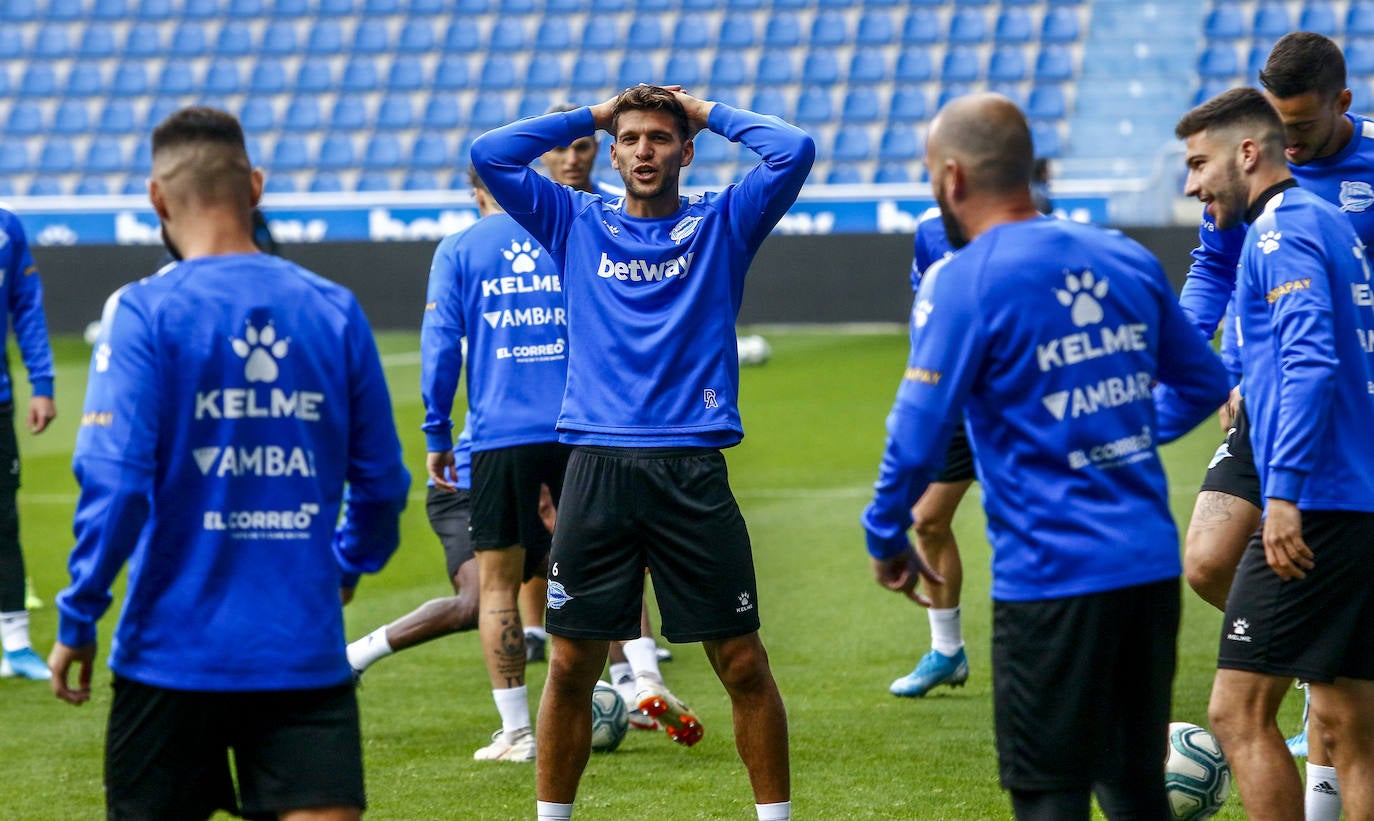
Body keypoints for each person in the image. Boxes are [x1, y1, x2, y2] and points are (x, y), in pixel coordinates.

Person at [862, 93, 1229, 820]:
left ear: (953, 178)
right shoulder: (1121, 253)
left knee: (1049, 794)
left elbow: (915, 435)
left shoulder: (961, 279)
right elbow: (1206, 382)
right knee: (1133, 787)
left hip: (1051, 578)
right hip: (1149, 569)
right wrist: (1118, 434)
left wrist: (884, 535)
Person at [46, 106, 409, 820]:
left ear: (156, 197)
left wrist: (80, 612)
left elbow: (116, 484)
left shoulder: (142, 312)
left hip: (169, 653)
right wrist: (345, 568)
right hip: (300, 646)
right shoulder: (334, 309)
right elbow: (383, 484)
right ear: (257, 185)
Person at [471, 84, 814, 821]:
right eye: (629, 140)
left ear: (686, 150)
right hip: (595, 468)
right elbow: (488, 156)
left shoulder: (724, 221)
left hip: (692, 468)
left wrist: (709, 108)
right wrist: (591, 115)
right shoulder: (572, 219)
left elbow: (794, 150)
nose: (644, 151)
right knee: (570, 664)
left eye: (660, 138)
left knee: (743, 662)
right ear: (615, 151)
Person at [1179, 33, 1374, 811]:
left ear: (1344, 104)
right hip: (1276, 401)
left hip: (1331, 412)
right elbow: (1216, 269)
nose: (1290, 139)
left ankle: (1303, 670)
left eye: (1302, 124)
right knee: (1206, 561)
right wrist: (1206, 364)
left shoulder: (1306, 204)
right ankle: (1303, 657)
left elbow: (1316, 352)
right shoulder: (1252, 184)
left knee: (1271, 710)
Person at [886, 208, 975, 699]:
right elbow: (928, 316)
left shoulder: (1032, 218)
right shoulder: (930, 229)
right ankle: (947, 651)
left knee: (1040, 521)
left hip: (1019, 400)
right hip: (955, 402)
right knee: (928, 520)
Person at [0, 208, 56, 681]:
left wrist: (43, 383)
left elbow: (27, 304)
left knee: (3, 517)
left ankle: (15, 645)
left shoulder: (6, 227)